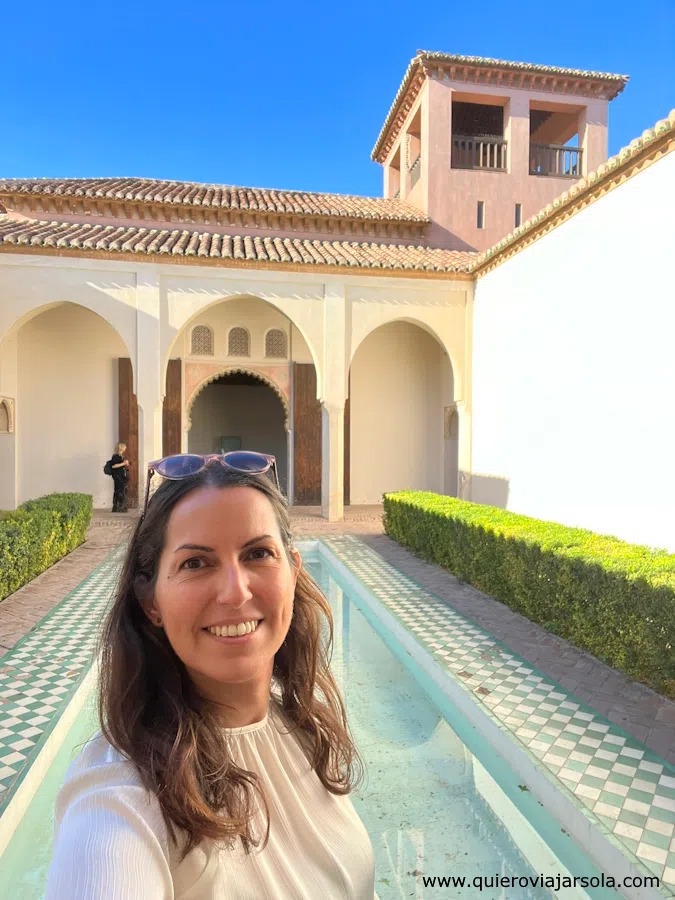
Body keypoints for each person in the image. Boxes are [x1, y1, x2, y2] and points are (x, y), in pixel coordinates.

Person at [46, 451, 376, 899]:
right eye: (196, 563)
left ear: (294, 572)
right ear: (151, 601)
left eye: (258, 553)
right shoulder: (121, 794)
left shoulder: (303, 728)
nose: (235, 592)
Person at [110, 441, 130, 512]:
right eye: (124, 446)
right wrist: (123, 463)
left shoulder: (121, 456)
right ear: (121, 447)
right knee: (120, 490)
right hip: (118, 476)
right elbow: (114, 466)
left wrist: (125, 464)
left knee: (121, 490)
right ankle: (119, 506)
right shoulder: (116, 456)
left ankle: (118, 506)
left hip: (121, 475)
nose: (126, 448)